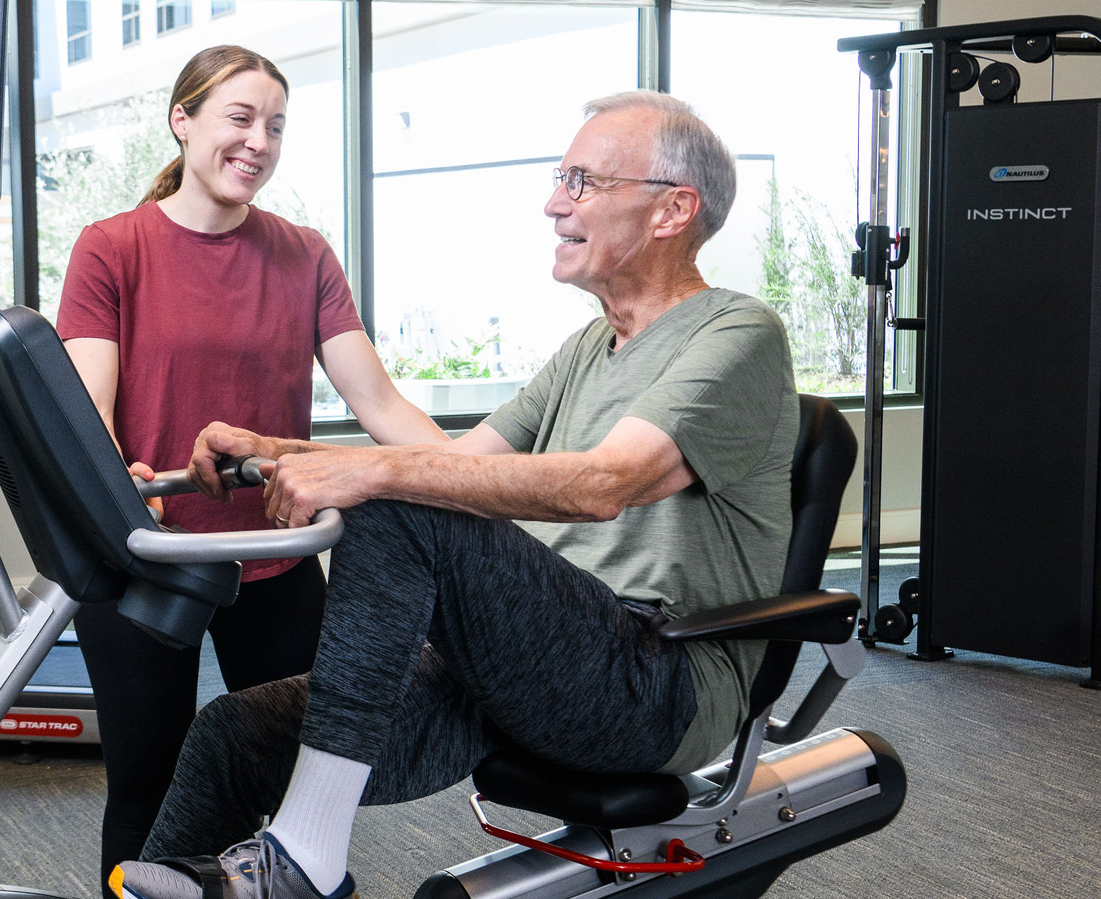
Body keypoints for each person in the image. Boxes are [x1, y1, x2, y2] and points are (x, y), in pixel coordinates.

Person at [108, 90, 800, 899]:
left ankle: (306, 854)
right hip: (521, 660)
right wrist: (282, 453)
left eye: (582, 183)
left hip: (654, 680)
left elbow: (609, 483)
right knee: (237, 734)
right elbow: (457, 463)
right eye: (559, 179)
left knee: (400, 502)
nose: (552, 203)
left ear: (672, 210)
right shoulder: (589, 346)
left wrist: (370, 475)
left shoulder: (736, 334)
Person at [55, 45, 447, 898]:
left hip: (276, 554)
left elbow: (379, 404)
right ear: (183, 121)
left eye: (275, 126)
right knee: (148, 788)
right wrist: (114, 470)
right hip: (146, 561)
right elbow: (87, 413)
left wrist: (473, 480)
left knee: (279, 784)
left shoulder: (304, 254)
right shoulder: (112, 248)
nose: (258, 142)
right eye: (239, 118)